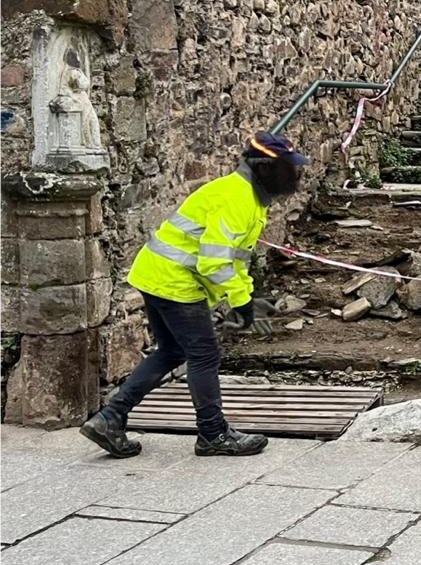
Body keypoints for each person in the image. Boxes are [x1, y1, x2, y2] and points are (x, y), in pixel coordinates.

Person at [80, 132, 308, 459]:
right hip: (175, 280)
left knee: (172, 351)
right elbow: (213, 261)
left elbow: (236, 259)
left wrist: (245, 296)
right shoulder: (237, 198)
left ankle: (110, 418)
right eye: (289, 168)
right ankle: (213, 434)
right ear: (265, 168)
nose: (295, 176)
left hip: (156, 274)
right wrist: (240, 301)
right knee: (204, 354)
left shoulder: (249, 198)